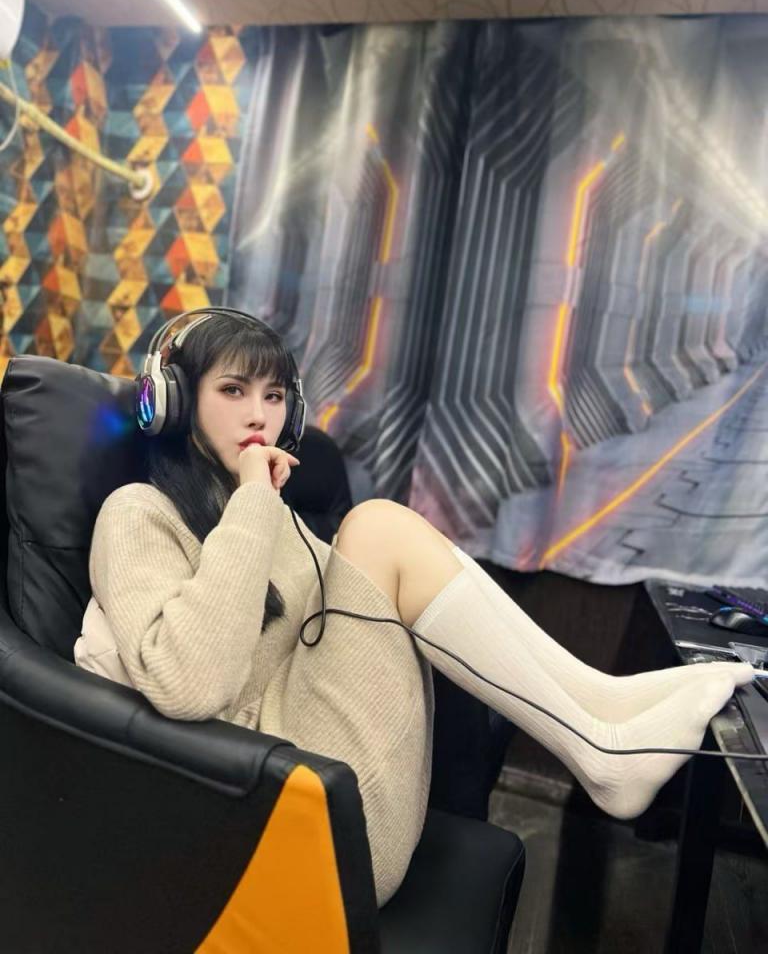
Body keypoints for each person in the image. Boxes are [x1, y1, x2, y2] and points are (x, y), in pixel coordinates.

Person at [74, 309, 754, 907]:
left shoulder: (262, 512)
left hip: (335, 786)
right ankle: (598, 746)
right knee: (375, 526)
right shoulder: (137, 514)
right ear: (173, 402)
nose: (260, 415)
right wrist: (255, 499)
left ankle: (600, 707)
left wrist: (258, 504)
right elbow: (188, 685)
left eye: (274, 396)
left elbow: (355, 600)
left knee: (379, 532)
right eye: (233, 390)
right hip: (277, 818)